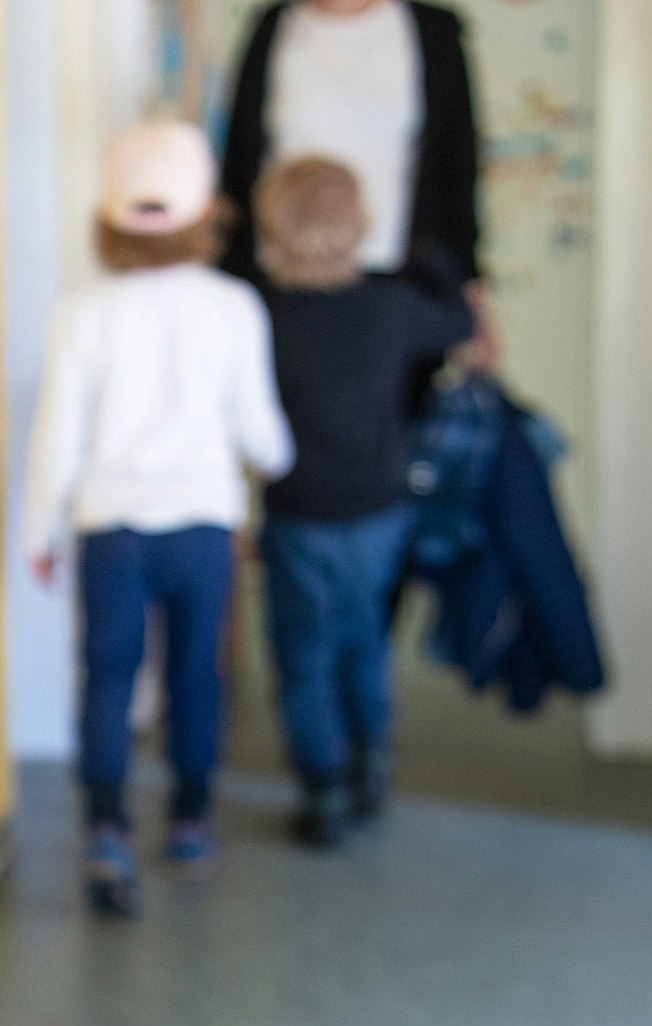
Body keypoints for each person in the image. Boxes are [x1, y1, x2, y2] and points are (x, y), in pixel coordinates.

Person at [24, 120, 293, 916]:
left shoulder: (82, 312)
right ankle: (189, 821)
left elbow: (57, 435)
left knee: (107, 677)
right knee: (194, 679)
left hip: (110, 526)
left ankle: (105, 829)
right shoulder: (234, 308)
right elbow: (262, 436)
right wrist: (278, 463)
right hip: (204, 527)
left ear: (105, 218)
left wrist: (40, 531)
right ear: (207, 214)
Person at [250, 157, 473, 847]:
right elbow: (458, 320)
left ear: (272, 226)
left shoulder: (262, 312)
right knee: (364, 639)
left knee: (302, 648)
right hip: (379, 508)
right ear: (359, 223)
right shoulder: (390, 307)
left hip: (296, 511)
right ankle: (370, 760)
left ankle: (321, 788)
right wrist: (427, 261)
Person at [220, 0, 493, 366]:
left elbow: (457, 167)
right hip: (281, 283)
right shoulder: (273, 26)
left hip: (399, 279)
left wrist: (472, 292)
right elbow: (239, 159)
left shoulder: (434, 31)